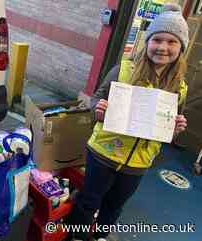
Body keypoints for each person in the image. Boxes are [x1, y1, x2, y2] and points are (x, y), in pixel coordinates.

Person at [65, 3, 189, 241]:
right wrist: (98, 109)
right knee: (89, 200)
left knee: (114, 206)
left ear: (181, 48)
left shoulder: (179, 88)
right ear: (148, 42)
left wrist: (175, 129)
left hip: (139, 162)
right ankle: (78, 237)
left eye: (172, 42)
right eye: (157, 40)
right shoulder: (124, 69)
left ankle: (100, 236)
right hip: (103, 152)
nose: (163, 47)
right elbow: (97, 97)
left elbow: (168, 129)